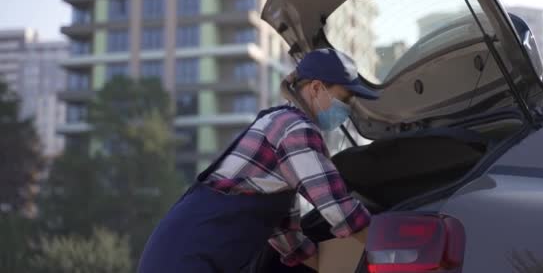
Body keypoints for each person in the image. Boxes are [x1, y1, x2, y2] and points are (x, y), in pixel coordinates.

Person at [137, 48, 379, 273]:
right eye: (345, 99)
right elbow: (338, 208)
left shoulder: (279, 127)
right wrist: (386, 250)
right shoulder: (294, 129)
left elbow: (287, 237)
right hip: (188, 259)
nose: (348, 109)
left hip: (173, 253)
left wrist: (329, 267)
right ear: (316, 88)